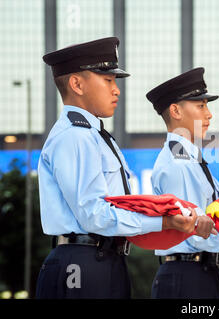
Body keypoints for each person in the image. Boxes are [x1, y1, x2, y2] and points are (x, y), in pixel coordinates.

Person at [36, 37, 197, 299]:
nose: (116, 90)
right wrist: (163, 221)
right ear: (77, 84)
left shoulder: (94, 134)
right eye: (107, 80)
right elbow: (94, 214)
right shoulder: (75, 136)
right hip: (81, 263)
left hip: (101, 259)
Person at [146, 67, 219, 298]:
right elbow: (198, 231)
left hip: (198, 271)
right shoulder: (178, 163)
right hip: (187, 275)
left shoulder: (190, 158)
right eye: (201, 106)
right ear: (176, 110)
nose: (209, 114)